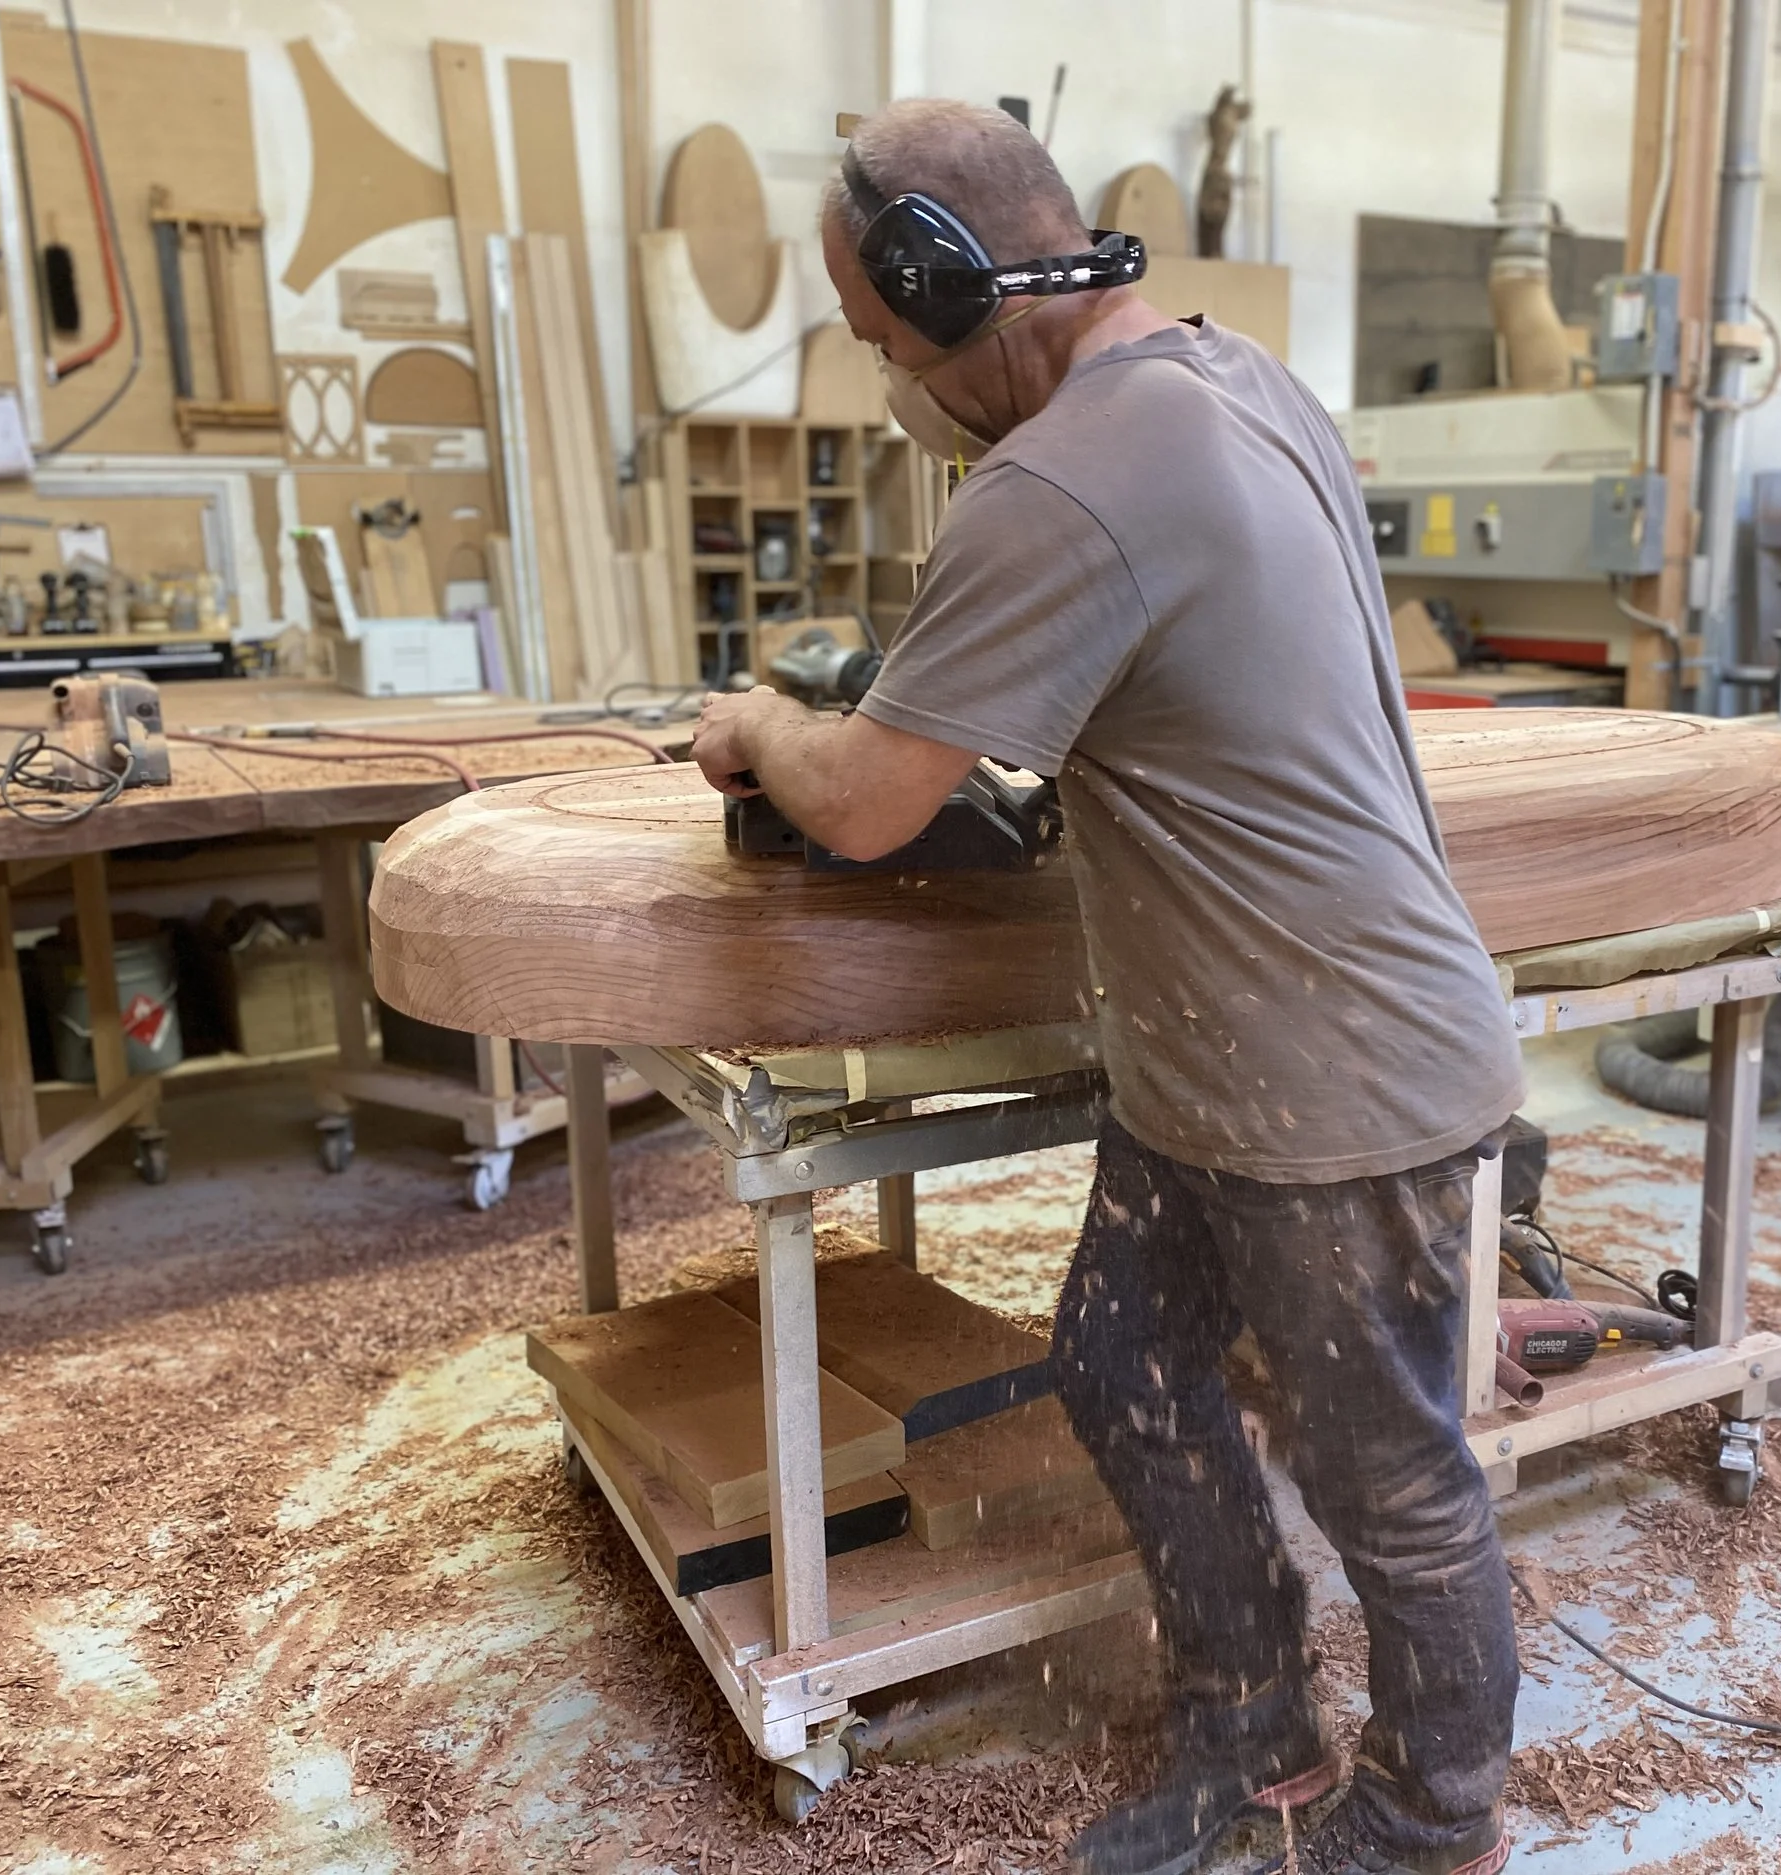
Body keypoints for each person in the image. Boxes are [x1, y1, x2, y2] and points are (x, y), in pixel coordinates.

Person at [689, 99, 1525, 1875]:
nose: (883, 376)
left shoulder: (1061, 475)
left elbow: (861, 803)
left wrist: (760, 722)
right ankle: (1257, 1738)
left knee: (1393, 1481)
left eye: (878, 336)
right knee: (1121, 1353)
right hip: (1215, 1053)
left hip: (1331, 1065)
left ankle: (1435, 1824)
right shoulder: (1234, 376)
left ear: (947, 280)